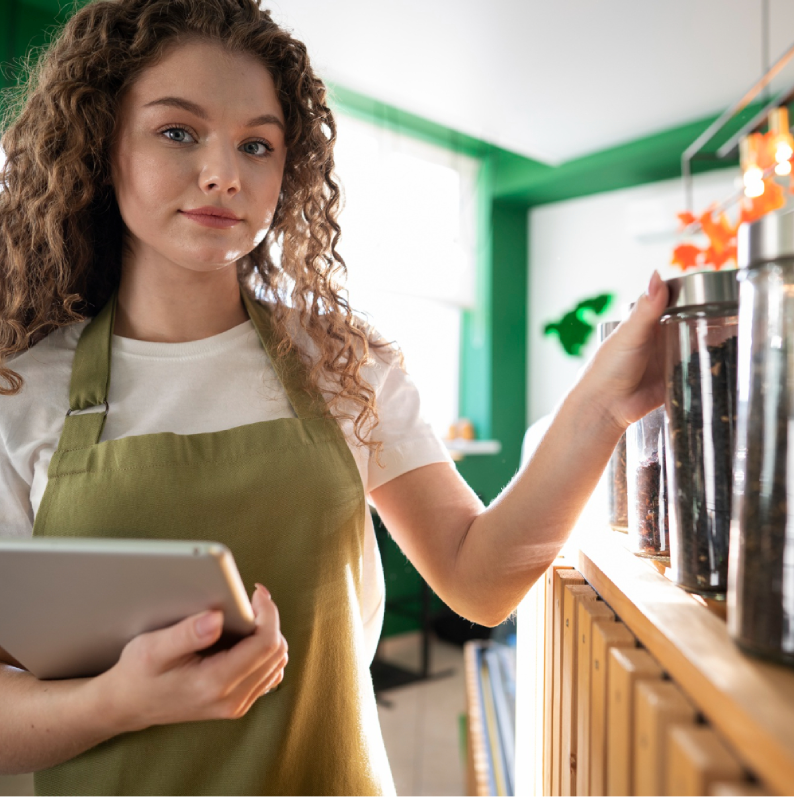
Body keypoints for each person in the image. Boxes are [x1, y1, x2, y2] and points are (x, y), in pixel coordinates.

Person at [0, 0, 669, 794]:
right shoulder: (21, 392)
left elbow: (480, 580)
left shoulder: (341, 364)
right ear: (100, 144)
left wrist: (602, 405)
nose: (224, 172)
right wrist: (119, 702)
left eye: (257, 144)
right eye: (178, 132)